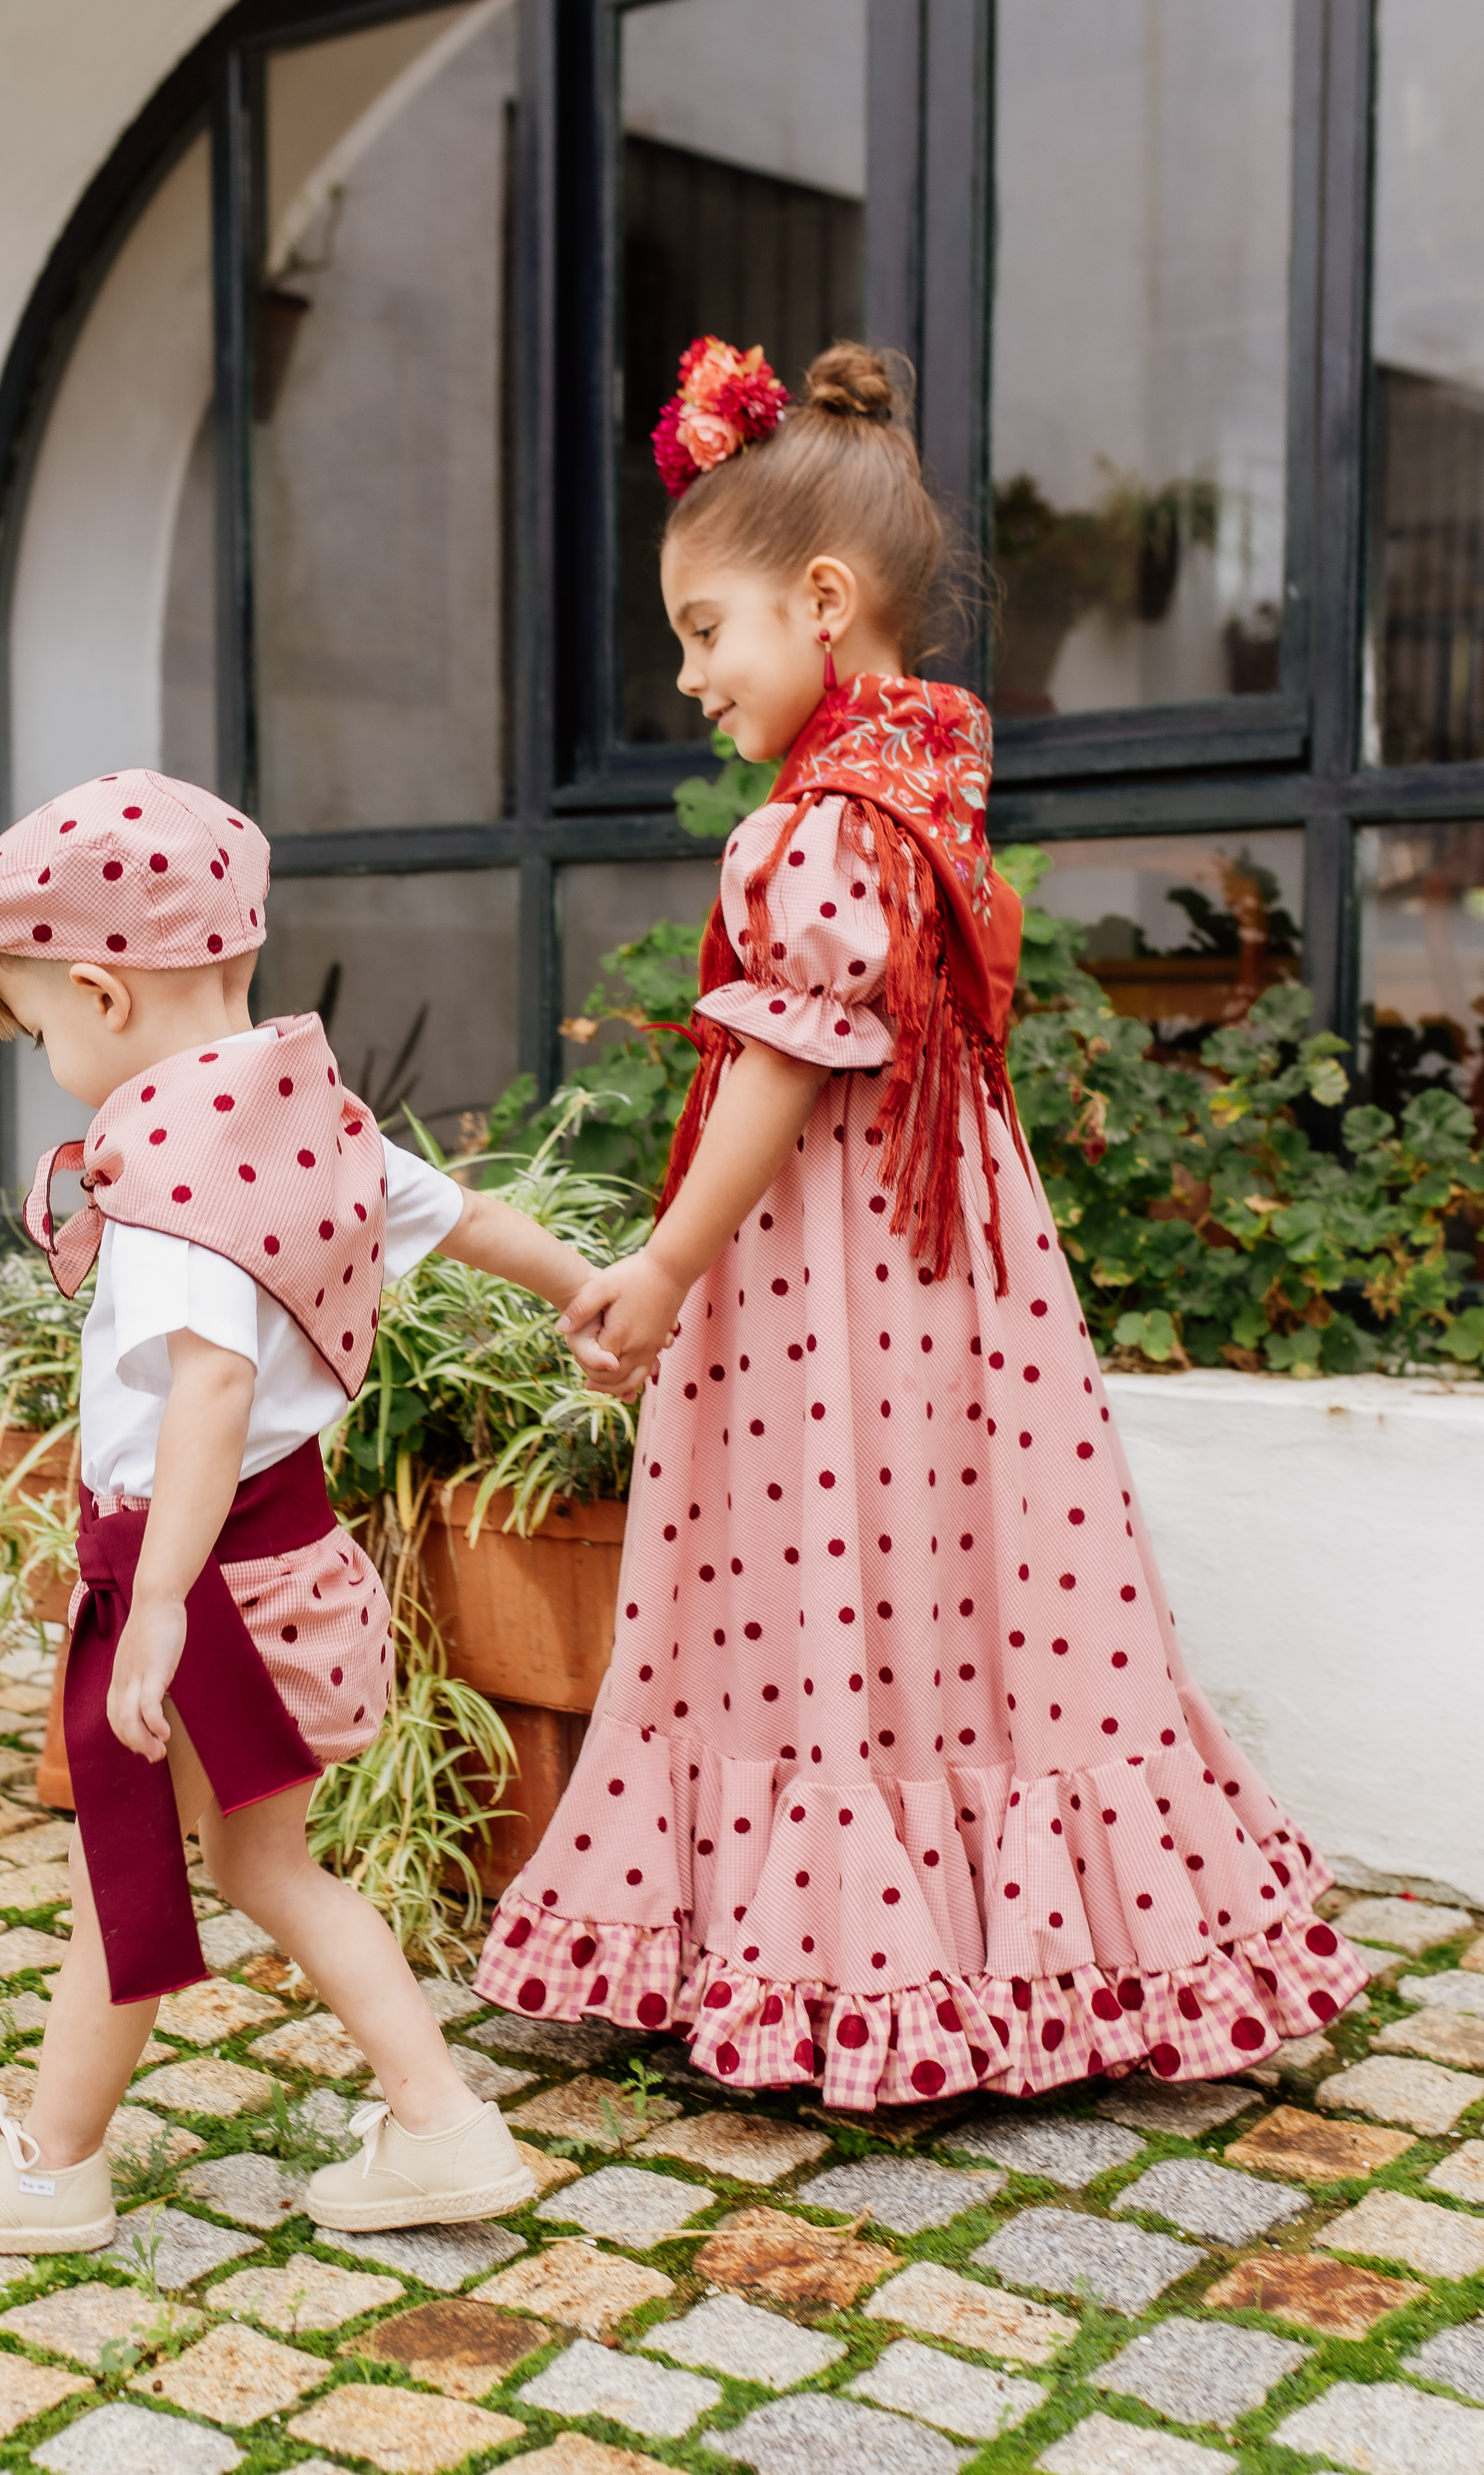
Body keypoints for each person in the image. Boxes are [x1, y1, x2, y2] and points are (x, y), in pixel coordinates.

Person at [477, 333, 1362, 2108]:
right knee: (960, 1590)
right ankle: (978, 1953)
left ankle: (853, 1955)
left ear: (819, 600)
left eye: (705, 632)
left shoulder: (815, 833)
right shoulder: (925, 800)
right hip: (946, 1278)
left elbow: (777, 1082)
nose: (688, 678)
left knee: (821, 1580)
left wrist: (661, 1265)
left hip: (831, 1285)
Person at [0, 765, 595, 2254]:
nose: (50, 1052)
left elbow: (202, 1397)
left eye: (42, 1025)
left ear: (102, 992)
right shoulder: (299, 1120)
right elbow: (460, 1217)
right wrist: (586, 1291)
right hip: (298, 1566)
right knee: (270, 1865)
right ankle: (441, 2123)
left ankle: (50, 2169)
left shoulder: (178, 1174)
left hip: (204, 1592)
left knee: (117, 1867)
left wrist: (158, 1617)